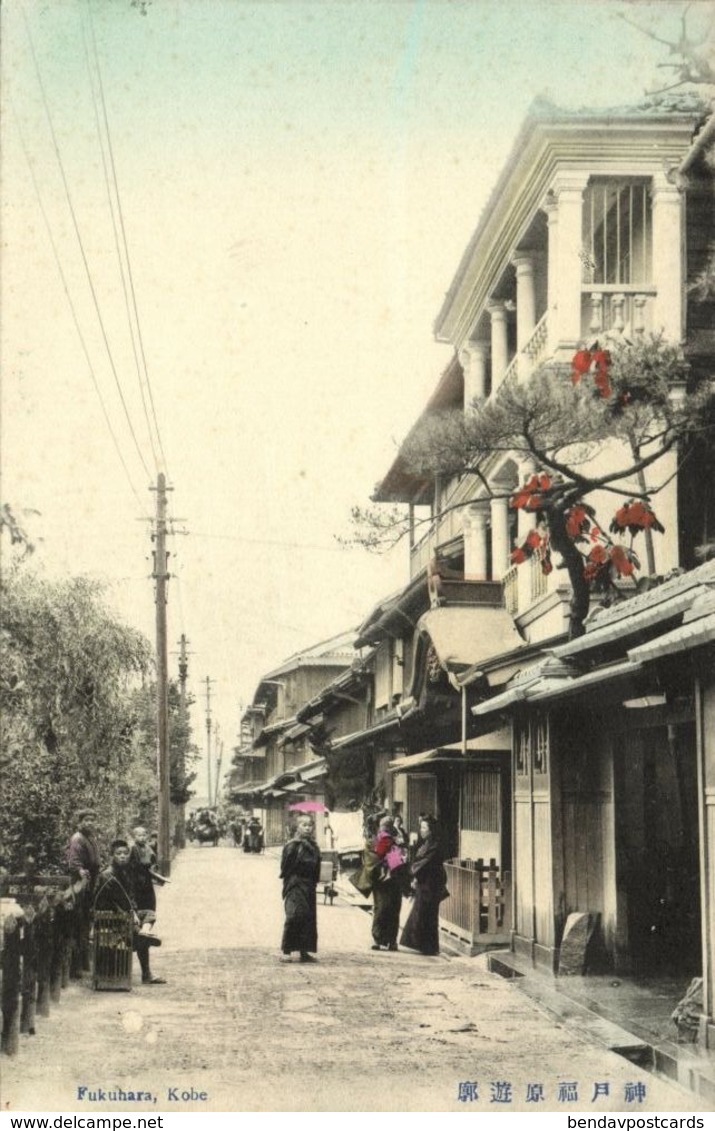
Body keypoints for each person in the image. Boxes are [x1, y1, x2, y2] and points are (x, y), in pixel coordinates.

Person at [93, 839, 166, 985]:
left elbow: (129, 898)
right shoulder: (107, 875)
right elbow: (106, 902)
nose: (122, 856)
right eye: (118, 853)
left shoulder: (126, 872)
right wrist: (130, 914)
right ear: (112, 856)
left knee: (149, 913)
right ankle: (146, 971)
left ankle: (143, 932)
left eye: (125, 853)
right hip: (111, 918)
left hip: (125, 916)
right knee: (139, 931)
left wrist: (133, 911)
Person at [400, 816, 447, 957]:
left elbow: (425, 863)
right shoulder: (425, 843)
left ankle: (429, 946)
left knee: (428, 914)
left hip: (430, 883)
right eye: (421, 827)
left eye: (424, 828)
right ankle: (422, 944)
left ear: (431, 830)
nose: (421, 831)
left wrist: (413, 874)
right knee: (421, 913)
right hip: (422, 881)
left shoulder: (435, 845)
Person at [279, 816, 321, 963]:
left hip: (309, 885)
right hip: (295, 883)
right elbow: (285, 867)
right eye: (304, 825)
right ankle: (286, 950)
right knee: (294, 915)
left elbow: (317, 867)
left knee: (308, 918)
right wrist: (291, 880)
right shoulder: (292, 845)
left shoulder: (314, 846)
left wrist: (314, 881)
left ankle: (304, 951)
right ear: (297, 827)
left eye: (310, 825)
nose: (308, 828)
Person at [66, 809, 101, 977]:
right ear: (80, 822)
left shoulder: (90, 838)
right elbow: (74, 862)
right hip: (80, 884)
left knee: (86, 923)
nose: (90, 823)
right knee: (77, 923)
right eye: (86, 820)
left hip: (90, 884)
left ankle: (84, 963)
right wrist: (80, 872)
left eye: (92, 820)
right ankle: (75, 968)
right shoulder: (77, 838)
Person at [370, 815, 404, 952]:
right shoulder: (398, 838)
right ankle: (391, 941)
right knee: (392, 910)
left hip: (383, 879)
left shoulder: (382, 838)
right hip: (394, 878)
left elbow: (377, 855)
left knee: (381, 909)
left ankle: (379, 939)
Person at [129, 825, 166, 939]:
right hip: (135, 880)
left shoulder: (148, 848)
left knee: (150, 904)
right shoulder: (133, 848)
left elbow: (153, 861)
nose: (142, 837)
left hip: (147, 880)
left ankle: (146, 928)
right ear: (134, 837)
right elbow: (130, 864)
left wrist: (155, 870)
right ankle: (137, 929)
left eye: (144, 835)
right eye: (139, 835)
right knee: (137, 905)